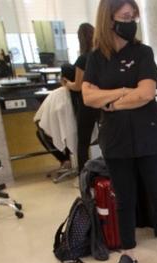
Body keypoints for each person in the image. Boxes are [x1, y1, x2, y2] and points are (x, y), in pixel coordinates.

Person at [82, 0, 157, 263]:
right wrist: (124, 90)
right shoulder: (96, 58)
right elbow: (88, 97)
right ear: (109, 20)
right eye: (125, 16)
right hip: (115, 141)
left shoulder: (142, 53)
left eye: (133, 16)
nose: (131, 22)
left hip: (149, 138)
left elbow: (146, 93)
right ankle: (129, 252)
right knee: (124, 201)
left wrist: (111, 102)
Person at [64, 23, 99, 162]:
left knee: (83, 142)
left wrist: (67, 84)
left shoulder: (83, 59)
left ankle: (83, 174)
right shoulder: (101, 56)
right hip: (102, 101)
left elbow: (78, 86)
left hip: (87, 104)